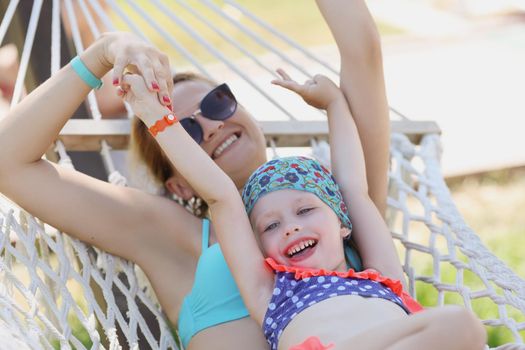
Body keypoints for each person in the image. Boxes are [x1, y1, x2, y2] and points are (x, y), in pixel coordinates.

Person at [0, 1, 413, 349]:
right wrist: (105, 52)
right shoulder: (169, 235)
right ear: (178, 184)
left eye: (218, 103)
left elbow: (362, 47)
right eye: (188, 131)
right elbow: (8, 161)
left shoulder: (333, 202)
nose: (213, 126)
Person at [118, 64, 487, 349]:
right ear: (260, 250)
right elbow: (221, 196)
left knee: (461, 327)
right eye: (271, 226)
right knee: (458, 325)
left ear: (344, 224)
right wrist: (156, 119)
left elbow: (353, 188)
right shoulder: (272, 297)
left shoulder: (384, 276)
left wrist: (334, 104)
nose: (290, 227)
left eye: (305, 211)